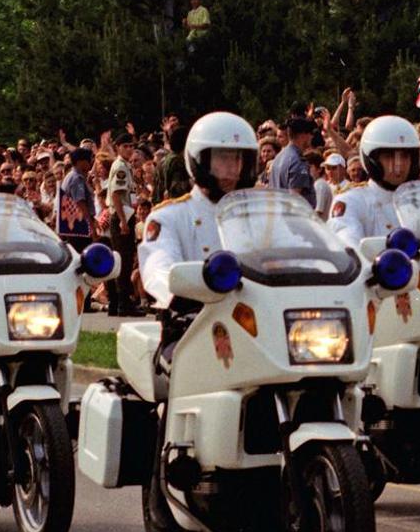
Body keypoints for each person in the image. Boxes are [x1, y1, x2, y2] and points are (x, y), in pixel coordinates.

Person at [137, 111, 259, 379]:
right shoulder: (169, 216)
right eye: (223, 159)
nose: (233, 169)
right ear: (200, 161)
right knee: (187, 378)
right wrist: (182, 283)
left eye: (239, 159)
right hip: (192, 328)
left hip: (258, 327)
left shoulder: (260, 217)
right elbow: (158, 266)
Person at [329, 116, 420, 243]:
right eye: (389, 156)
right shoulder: (352, 201)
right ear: (371, 160)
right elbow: (348, 241)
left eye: (405, 156)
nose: (398, 164)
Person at [104, 132, 140, 315]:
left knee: (124, 260)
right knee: (123, 261)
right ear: (118, 147)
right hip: (121, 216)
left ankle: (119, 302)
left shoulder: (125, 165)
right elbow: (117, 195)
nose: (129, 149)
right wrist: (123, 221)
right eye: (125, 146)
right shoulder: (120, 167)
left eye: (131, 146)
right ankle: (122, 303)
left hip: (125, 214)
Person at [270, 116, 318, 208]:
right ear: (303, 135)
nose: (312, 137)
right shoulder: (298, 161)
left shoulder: (279, 157)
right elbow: (294, 199)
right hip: (294, 219)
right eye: (310, 133)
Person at [57, 147, 95, 253]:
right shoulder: (76, 178)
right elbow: (80, 204)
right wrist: (90, 226)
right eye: (88, 160)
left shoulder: (71, 176)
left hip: (73, 227)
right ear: (80, 162)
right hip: (78, 227)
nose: (91, 162)